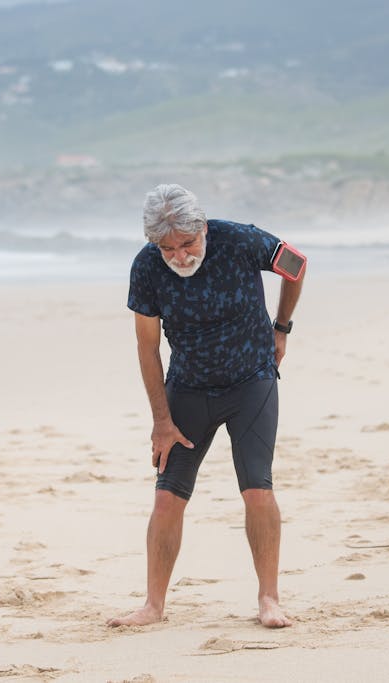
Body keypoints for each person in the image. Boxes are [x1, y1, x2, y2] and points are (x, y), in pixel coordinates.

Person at [108, 184, 305, 629]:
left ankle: (269, 599)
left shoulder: (239, 240)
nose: (179, 255)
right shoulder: (146, 268)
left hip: (250, 382)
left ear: (203, 228)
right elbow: (146, 348)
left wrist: (282, 328)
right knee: (166, 499)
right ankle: (153, 606)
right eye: (167, 248)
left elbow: (296, 264)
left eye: (187, 243)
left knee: (257, 489)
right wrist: (161, 420)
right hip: (189, 390)